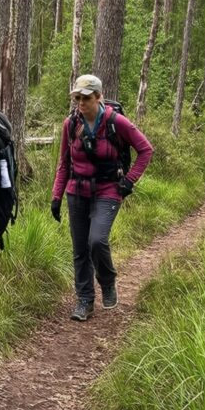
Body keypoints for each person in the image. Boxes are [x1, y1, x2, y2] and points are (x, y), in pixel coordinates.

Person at [50, 74, 153, 322]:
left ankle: (107, 282)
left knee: (97, 240)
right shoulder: (70, 124)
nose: (80, 103)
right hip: (77, 192)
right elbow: (64, 163)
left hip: (108, 190)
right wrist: (56, 196)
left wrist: (129, 181)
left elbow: (145, 150)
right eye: (77, 98)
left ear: (98, 97)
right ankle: (84, 300)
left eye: (85, 98)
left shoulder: (116, 123)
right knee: (80, 249)